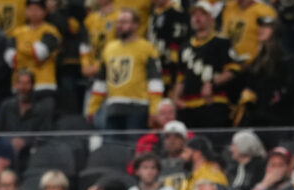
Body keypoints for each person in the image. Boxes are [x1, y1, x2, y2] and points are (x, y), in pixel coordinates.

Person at [87, 9, 164, 131]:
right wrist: (92, 107)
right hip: (112, 107)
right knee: (112, 148)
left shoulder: (147, 48)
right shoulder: (109, 48)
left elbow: (155, 81)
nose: (120, 26)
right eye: (118, 22)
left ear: (136, 25)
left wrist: (155, 109)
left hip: (138, 107)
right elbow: (101, 81)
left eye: (124, 22)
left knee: (134, 147)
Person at [172, 1, 239, 130]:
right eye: (194, 15)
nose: (197, 18)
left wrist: (212, 84)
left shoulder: (222, 42)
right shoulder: (185, 45)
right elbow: (181, 76)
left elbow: (232, 70)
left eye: (202, 14)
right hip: (188, 106)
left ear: (211, 19)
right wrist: (175, 97)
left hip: (213, 103)